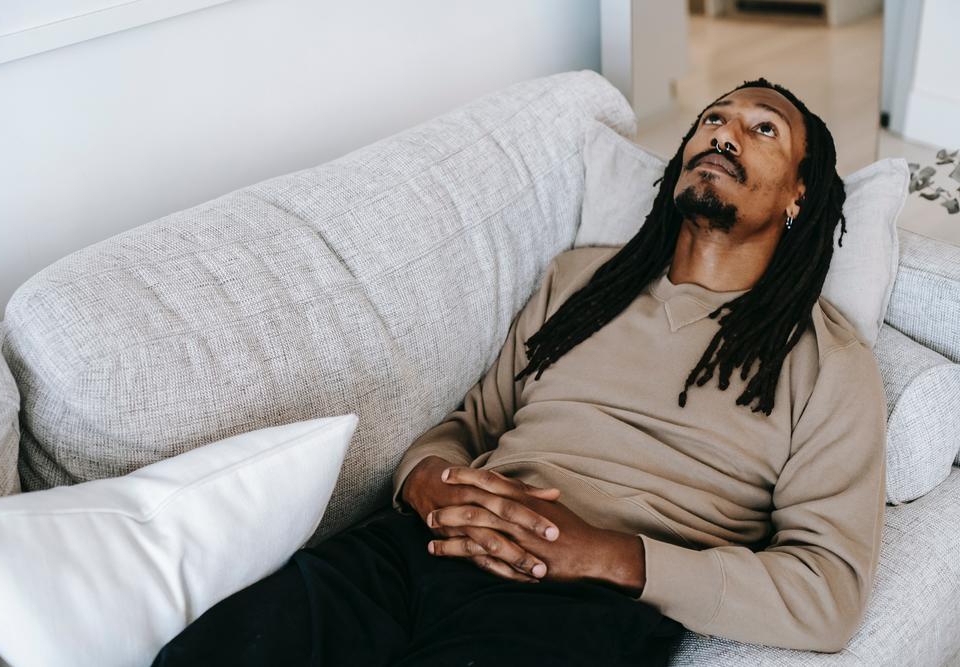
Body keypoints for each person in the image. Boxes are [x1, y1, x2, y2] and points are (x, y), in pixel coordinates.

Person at [152, 77, 887, 666]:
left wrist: (604, 555)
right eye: (712, 119)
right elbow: (472, 424)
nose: (723, 132)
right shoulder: (580, 285)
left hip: (582, 609)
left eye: (763, 129)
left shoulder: (828, 364)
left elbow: (828, 592)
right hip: (420, 549)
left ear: (800, 194)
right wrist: (426, 480)